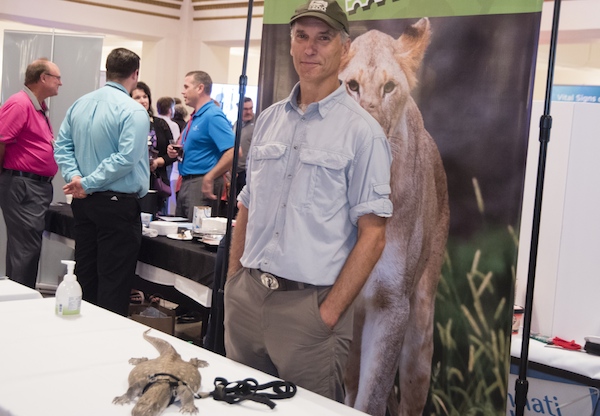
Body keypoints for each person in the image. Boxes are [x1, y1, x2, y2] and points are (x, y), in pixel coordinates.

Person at [223, 0, 393, 403]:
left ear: (344, 49)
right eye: (302, 36)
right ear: (291, 42)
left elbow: (374, 237)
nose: (310, 48)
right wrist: (233, 281)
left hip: (310, 312)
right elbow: (246, 205)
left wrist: (328, 314)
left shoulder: (363, 134)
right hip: (247, 299)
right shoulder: (267, 120)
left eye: (323, 37)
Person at [54, 48, 149, 316]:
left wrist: (75, 177)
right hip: (116, 205)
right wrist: (85, 182)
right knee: (114, 282)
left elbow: (62, 146)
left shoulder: (79, 104)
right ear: (135, 74)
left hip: (84, 203)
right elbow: (126, 158)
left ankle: (82, 337)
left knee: (86, 274)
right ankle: (107, 343)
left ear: (108, 71)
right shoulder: (134, 111)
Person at [0, 58, 62, 288]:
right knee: (25, 250)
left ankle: (19, 301)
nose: (61, 83)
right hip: (22, 185)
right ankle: (20, 307)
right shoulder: (20, 104)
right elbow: (1, 139)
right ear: (43, 78)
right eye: (57, 78)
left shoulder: (36, 106)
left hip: (32, 186)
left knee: (26, 249)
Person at [166, 71, 235, 221]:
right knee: (182, 233)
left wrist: (210, 176)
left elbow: (234, 151)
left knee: (195, 236)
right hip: (187, 181)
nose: (182, 91)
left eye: (186, 86)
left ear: (200, 88)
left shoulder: (212, 115)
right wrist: (176, 152)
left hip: (200, 181)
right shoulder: (196, 116)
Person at [131, 83, 176, 215]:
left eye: (145, 96)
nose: (143, 100)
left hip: (156, 181)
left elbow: (172, 154)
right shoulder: (126, 122)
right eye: (137, 97)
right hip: (133, 181)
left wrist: (157, 162)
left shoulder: (160, 124)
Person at [232, 97, 255, 197]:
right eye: (245, 109)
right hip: (236, 172)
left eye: (251, 108)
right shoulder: (236, 124)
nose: (249, 112)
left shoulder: (258, 124)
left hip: (248, 172)